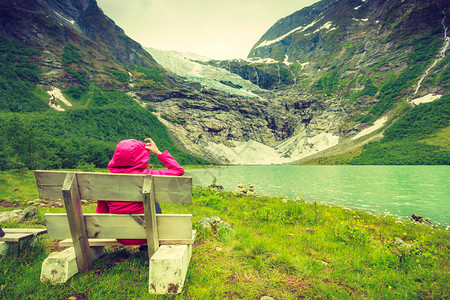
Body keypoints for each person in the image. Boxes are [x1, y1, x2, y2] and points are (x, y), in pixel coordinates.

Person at [96, 138, 185, 245]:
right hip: (148, 234)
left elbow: (101, 213)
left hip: (120, 235)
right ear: (141, 156)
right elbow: (178, 170)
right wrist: (158, 153)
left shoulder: (102, 181)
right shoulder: (149, 175)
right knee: (152, 200)